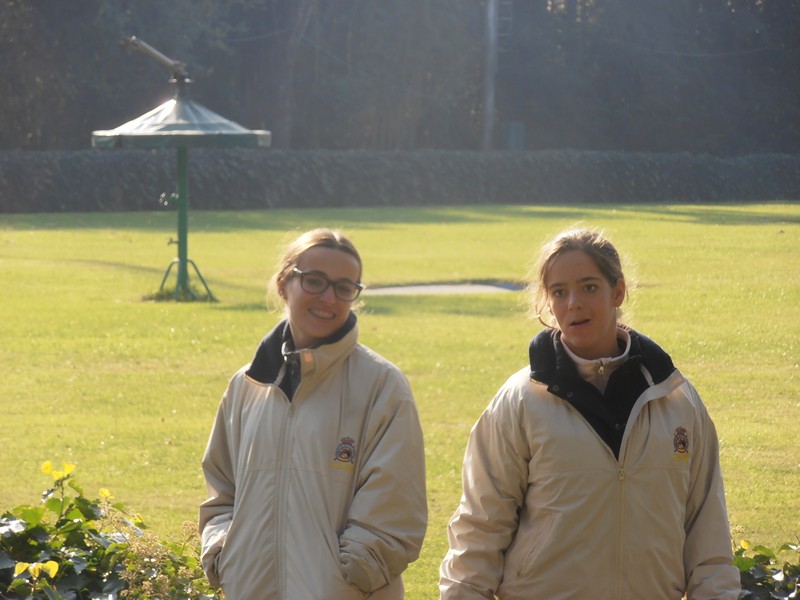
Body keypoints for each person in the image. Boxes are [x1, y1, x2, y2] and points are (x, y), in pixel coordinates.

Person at [439, 227, 740, 600]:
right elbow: (479, 530)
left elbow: (708, 537)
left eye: (589, 287)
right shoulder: (520, 402)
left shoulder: (677, 399)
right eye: (559, 292)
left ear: (618, 292)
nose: (573, 304)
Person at [199, 228, 427, 600]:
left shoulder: (382, 386)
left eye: (344, 287)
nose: (329, 298)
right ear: (283, 284)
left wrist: (346, 576)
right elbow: (221, 491)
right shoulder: (246, 386)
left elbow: (395, 507)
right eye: (315, 281)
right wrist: (225, 553)